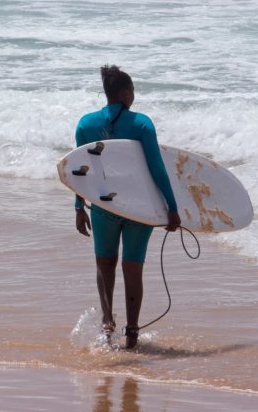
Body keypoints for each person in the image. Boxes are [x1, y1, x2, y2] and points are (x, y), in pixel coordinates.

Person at [73, 65, 180, 349]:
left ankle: (107, 325)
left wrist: (78, 207)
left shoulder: (85, 124)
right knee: (133, 268)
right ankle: (132, 334)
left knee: (104, 264)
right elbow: (157, 169)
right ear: (125, 93)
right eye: (132, 90)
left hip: (103, 204)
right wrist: (171, 206)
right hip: (138, 208)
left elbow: (79, 171)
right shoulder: (142, 123)